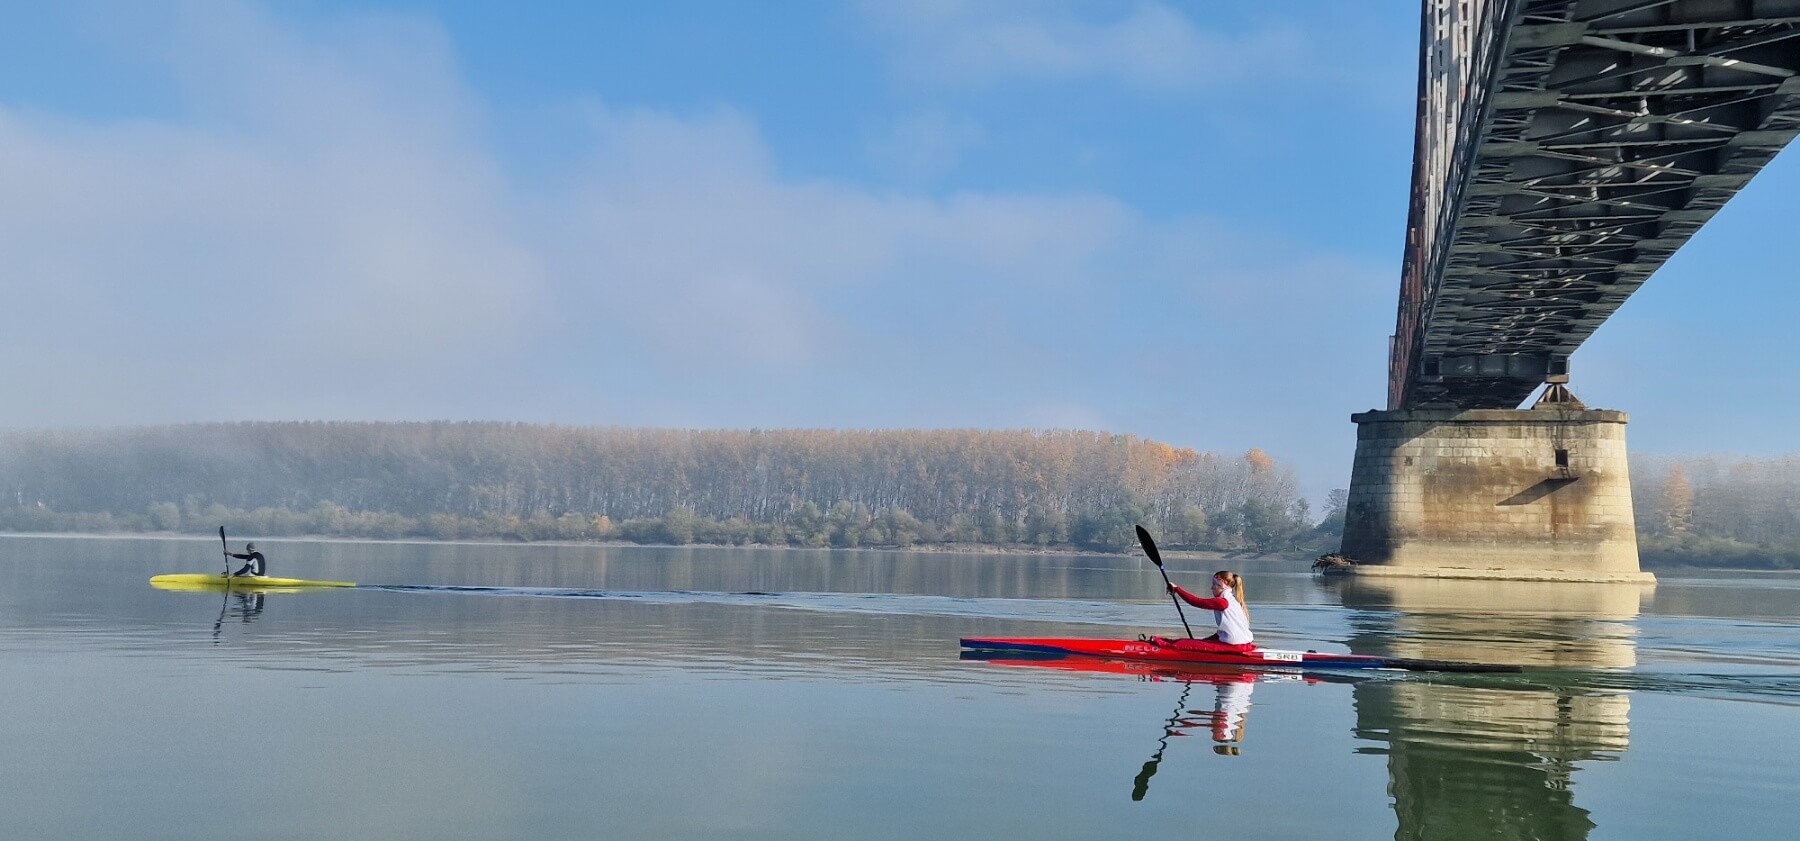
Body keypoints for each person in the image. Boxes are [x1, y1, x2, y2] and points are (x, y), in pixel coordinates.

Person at [1157, 570, 1254, 653]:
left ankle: (1159, 646)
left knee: (1181, 643)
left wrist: (1177, 589)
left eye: (1214, 585)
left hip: (1234, 646)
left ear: (1222, 585)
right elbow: (1224, 632)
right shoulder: (1233, 601)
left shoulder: (1222, 602)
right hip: (1244, 644)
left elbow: (1197, 602)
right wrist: (1205, 641)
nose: (1211, 588)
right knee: (1195, 642)